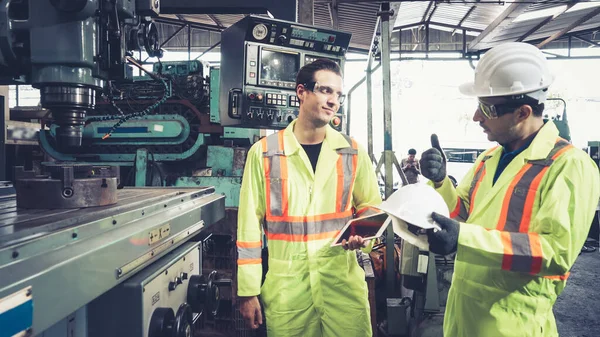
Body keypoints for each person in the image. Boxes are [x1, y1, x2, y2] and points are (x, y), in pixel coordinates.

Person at [419, 42, 600, 337]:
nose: (477, 117)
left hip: (513, 323)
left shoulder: (568, 166)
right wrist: (441, 183)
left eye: (486, 108)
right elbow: (459, 213)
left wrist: (463, 239)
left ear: (522, 112)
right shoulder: (489, 158)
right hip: (463, 315)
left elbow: (556, 252)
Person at [236, 59, 382, 337]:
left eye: (338, 94)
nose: (333, 101)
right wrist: (248, 292)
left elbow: (371, 206)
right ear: (301, 92)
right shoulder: (265, 152)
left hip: (341, 285)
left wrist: (362, 234)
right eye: (326, 91)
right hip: (288, 290)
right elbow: (248, 228)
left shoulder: (351, 151)